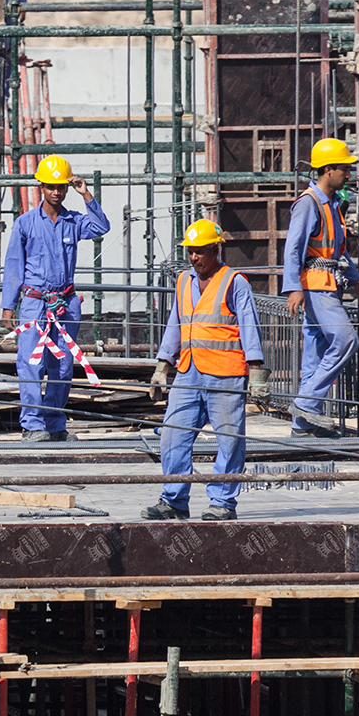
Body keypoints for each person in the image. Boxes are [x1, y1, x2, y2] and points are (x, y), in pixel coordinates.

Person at [143, 221, 269, 521]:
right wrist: (163, 366)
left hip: (225, 373)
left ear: (215, 249)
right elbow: (175, 323)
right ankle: (174, 499)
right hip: (188, 372)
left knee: (229, 440)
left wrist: (257, 375)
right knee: (173, 436)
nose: (194, 258)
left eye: (200, 252)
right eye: (190, 252)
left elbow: (250, 328)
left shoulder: (234, 281)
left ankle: (223, 502)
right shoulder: (184, 281)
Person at [0, 156, 109, 443]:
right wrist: (9, 304)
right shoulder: (25, 224)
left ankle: (55, 423)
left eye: (61, 186)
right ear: (41, 187)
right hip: (35, 302)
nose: (56, 192)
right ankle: (33, 425)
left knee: (61, 364)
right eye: (51, 186)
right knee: (31, 363)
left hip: (66, 303)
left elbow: (101, 227)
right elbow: (13, 264)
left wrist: (86, 193)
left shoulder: (73, 221)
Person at [283, 138, 359, 438]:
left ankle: (303, 425)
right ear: (329, 170)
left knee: (316, 353)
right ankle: (306, 404)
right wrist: (293, 287)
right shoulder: (308, 203)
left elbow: (339, 252)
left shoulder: (331, 205)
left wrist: (356, 280)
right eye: (344, 169)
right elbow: (293, 249)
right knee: (347, 340)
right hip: (315, 286)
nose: (349, 174)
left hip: (328, 284)